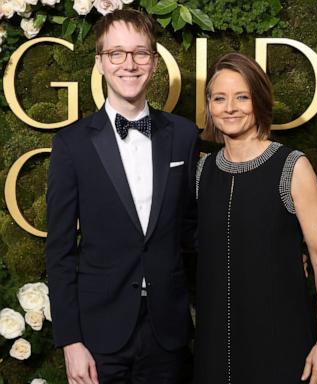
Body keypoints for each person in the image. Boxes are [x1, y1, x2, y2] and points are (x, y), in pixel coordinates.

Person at [45, 9, 198, 384]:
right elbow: (59, 250)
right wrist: (71, 341)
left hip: (169, 332)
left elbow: (192, 234)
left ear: (154, 62)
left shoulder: (183, 134)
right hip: (99, 335)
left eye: (140, 53)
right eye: (116, 53)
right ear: (99, 62)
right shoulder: (72, 144)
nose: (129, 64)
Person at [194, 52, 317, 384]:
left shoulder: (292, 166)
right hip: (215, 347)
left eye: (242, 97)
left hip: (280, 342)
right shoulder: (202, 171)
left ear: (258, 100)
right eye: (220, 98)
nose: (230, 107)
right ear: (210, 107)